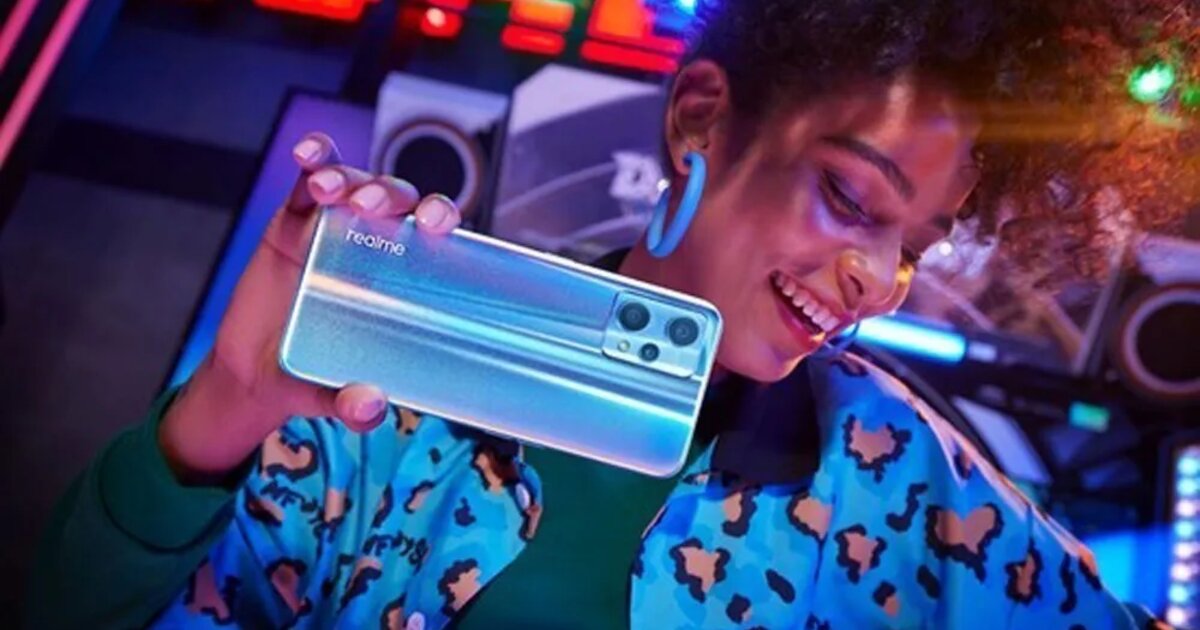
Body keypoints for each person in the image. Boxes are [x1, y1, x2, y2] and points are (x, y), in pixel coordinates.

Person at [26, 1, 1172, 628]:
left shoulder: (901, 484)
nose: (878, 278)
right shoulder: (386, 396)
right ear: (700, 121)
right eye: (849, 197)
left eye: (916, 248)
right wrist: (224, 408)